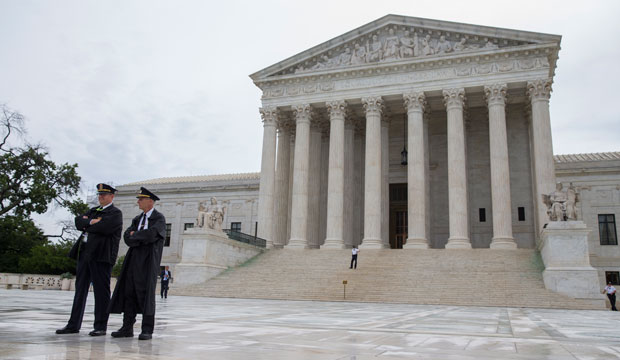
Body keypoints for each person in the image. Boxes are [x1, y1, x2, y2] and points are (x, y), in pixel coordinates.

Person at [56, 183, 123, 336]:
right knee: (80, 290)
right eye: (99, 195)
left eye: (104, 195)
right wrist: (91, 222)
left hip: (101, 256)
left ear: (112, 196)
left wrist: (88, 224)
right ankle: (73, 324)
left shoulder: (115, 213)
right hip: (85, 253)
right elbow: (78, 221)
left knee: (101, 292)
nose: (101, 197)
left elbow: (104, 228)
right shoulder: (94, 211)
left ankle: (100, 326)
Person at [109, 187, 166, 340]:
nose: (138, 201)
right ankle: (127, 327)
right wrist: (138, 236)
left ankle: (147, 329)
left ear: (150, 201)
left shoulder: (159, 219)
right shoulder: (137, 219)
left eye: (141, 199)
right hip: (133, 259)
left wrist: (137, 236)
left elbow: (152, 235)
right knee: (129, 292)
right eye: (138, 199)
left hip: (148, 261)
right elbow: (127, 237)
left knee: (146, 293)